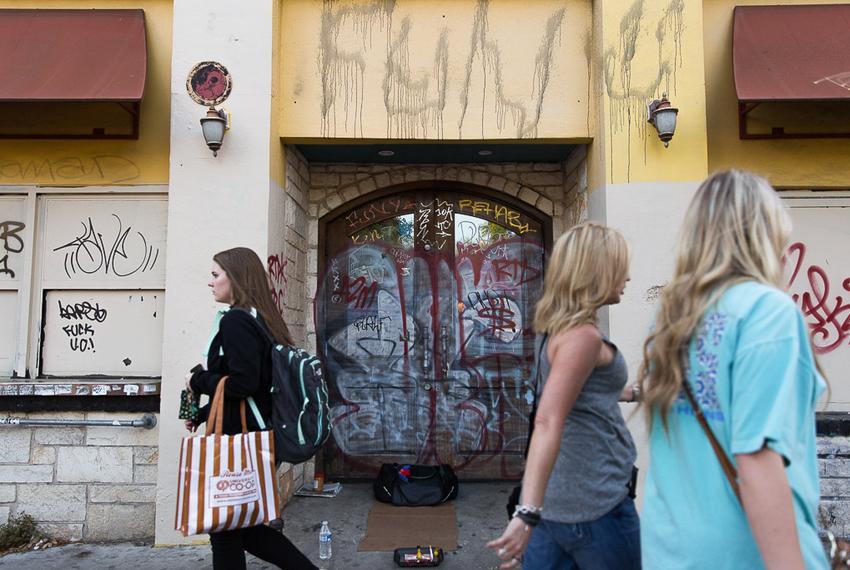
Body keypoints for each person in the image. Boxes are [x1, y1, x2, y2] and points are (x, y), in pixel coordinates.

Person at [638, 170, 829, 569]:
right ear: (766, 235)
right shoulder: (767, 313)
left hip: (670, 553)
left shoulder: (673, 317)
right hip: (746, 556)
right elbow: (757, 458)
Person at [488, 222, 641, 570]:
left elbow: (577, 391)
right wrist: (525, 514)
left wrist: (635, 393)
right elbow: (547, 419)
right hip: (595, 503)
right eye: (621, 267)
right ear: (598, 271)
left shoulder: (557, 329)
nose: (628, 277)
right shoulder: (582, 337)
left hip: (558, 502)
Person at [185, 247, 317, 570]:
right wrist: (202, 414)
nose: (210, 282)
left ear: (236, 278)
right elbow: (253, 387)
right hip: (256, 435)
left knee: (226, 530)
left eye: (216, 275)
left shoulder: (236, 322)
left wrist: (199, 380)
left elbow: (244, 384)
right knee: (240, 528)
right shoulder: (260, 318)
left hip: (241, 440)